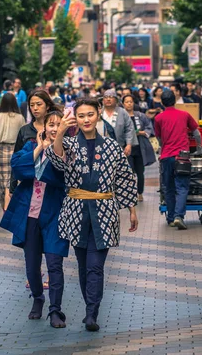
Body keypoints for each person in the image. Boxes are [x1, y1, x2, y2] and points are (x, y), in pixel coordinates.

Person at [45, 98, 139, 332]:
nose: (86, 119)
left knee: (95, 266)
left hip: (104, 212)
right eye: (81, 116)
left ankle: (91, 314)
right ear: (75, 118)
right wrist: (61, 132)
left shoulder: (111, 146)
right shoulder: (68, 144)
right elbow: (56, 158)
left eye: (90, 114)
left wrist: (132, 208)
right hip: (76, 211)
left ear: (98, 114)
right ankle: (91, 306)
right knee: (83, 265)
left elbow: (125, 176)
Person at [0, 111, 68, 328]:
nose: (55, 128)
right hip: (29, 215)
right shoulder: (30, 146)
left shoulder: (67, 150)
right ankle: (38, 298)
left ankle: (55, 309)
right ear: (44, 127)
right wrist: (39, 148)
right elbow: (18, 168)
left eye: (59, 124)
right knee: (31, 266)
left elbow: (59, 175)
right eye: (51, 124)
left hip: (55, 214)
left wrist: (44, 160)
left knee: (55, 263)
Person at [155, 91, 202, 230]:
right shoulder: (184, 115)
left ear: (162, 102)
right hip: (182, 156)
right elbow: (196, 132)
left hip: (166, 157)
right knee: (182, 187)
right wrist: (199, 148)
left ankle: (171, 218)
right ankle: (179, 216)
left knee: (168, 188)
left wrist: (163, 146)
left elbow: (158, 138)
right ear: (175, 100)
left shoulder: (159, 118)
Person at [0, 93, 26, 210]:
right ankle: (11, 207)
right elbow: (23, 136)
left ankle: (5, 206)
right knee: (13, 181)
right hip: (15, 151)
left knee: (2, 184)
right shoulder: (20, 118)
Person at [121, 96, 156, 202]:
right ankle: (130, 192)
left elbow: (149, 127)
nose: (129, 104)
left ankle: (140, 192)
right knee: (129, 171)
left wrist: (141, 132)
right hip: (127, 148)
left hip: (139, 148)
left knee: (140, 172)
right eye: (126, 102)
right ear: (123, 104)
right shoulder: (120, 117)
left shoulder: (140, 116)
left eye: (131, 101)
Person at [101, 89, 136, 158]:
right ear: (103, 100)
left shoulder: (122, 112)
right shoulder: (98, 112)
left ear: (116, 100)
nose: (108, 99)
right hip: (100, 147)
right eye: (106, 97)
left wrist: (129, 144)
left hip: (119, 147)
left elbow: (129, 128)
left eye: (111, 97)